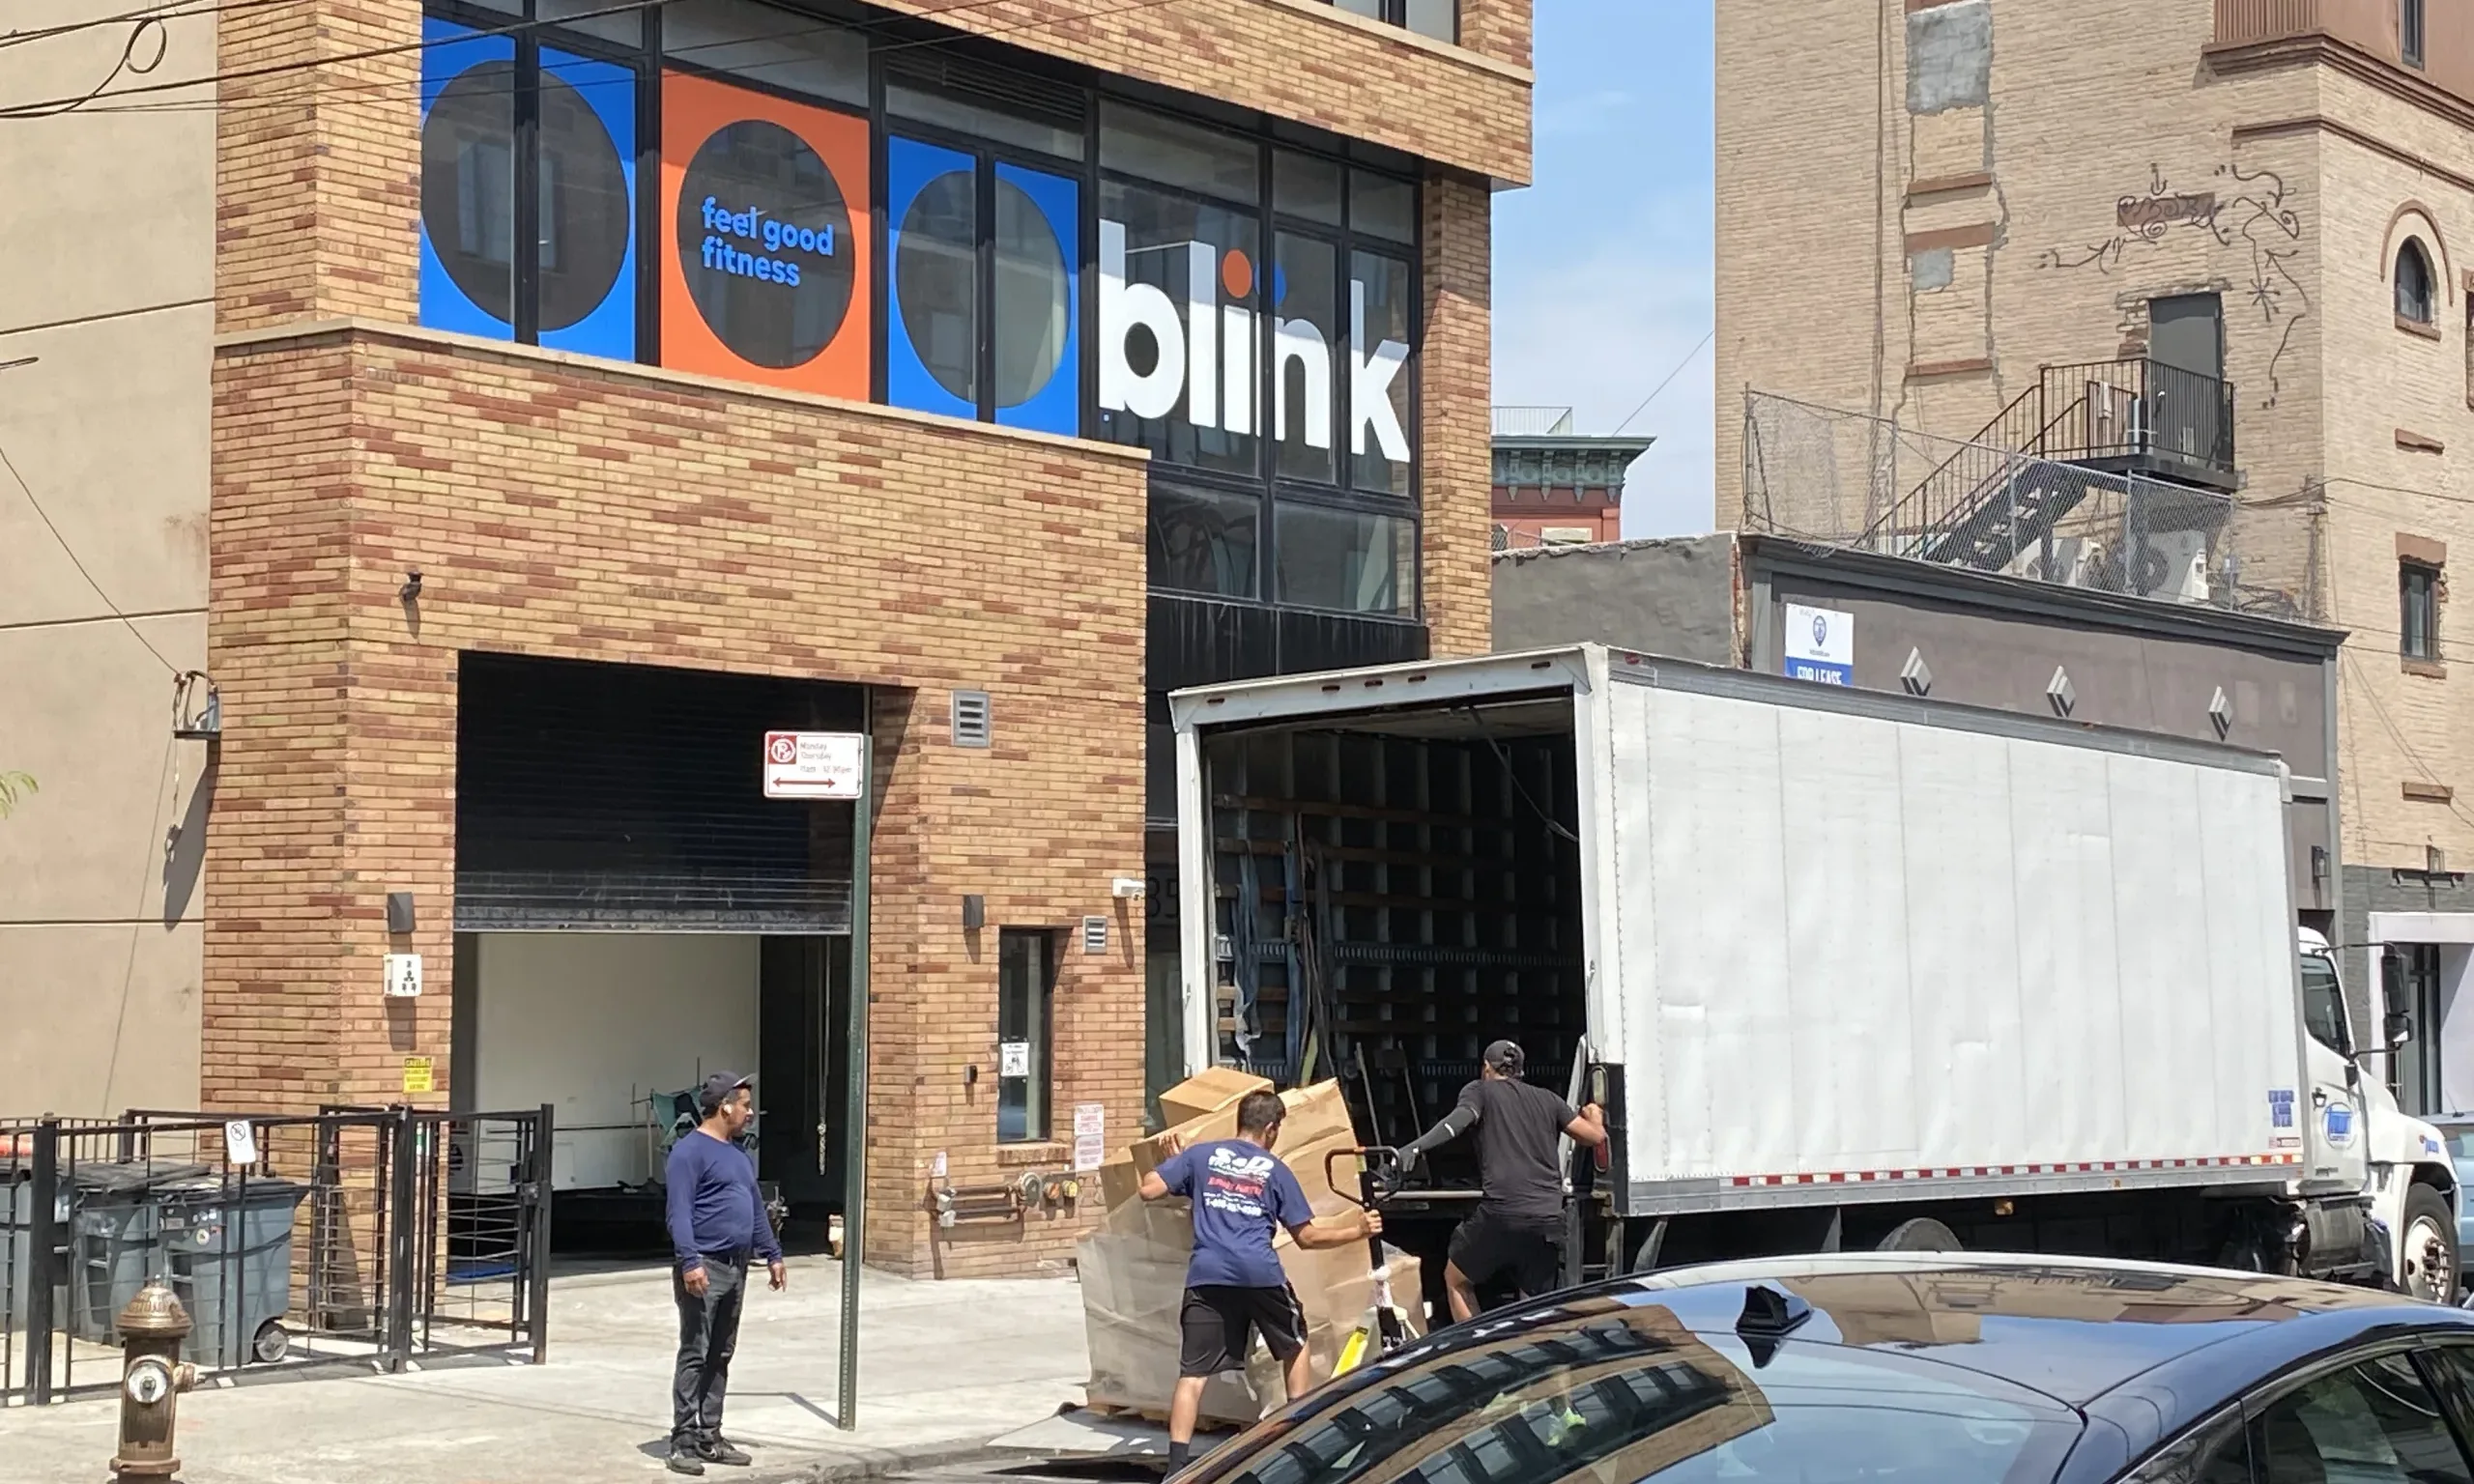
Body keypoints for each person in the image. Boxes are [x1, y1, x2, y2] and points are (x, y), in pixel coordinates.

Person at [1140, 1090, 1382, 1473]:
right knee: (1295, 1344)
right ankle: (1294, 1436)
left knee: (1192, 1376)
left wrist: (1176, 1164)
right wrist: (1357, 1230)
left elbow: (1148, 1189)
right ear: (1271, 1128)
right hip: (1259, 1274)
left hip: (1208, 1275)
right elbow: (1307, 1237)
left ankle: (1176, 1469)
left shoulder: (1201, 1156)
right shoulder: (1274, 1170)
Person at [1395, 1040, 1606, 1322]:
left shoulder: (1479, 1091)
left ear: (1485, 1067)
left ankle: (1475, 1348)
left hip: (1502, 1213)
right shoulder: (1549, 1099)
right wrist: (1596, 1115)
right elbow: (1594, 1137)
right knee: (1535, 1304)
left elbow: (1457, 1122)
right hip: (1547, 1217)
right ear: (1520, 1070)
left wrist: (1415, 1147)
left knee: (1456, 1279)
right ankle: (1535, 1354)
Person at [664, 1071, 787, 1476]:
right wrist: (690, 1261)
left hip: (737, 1266)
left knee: (721, 1353)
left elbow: (754, 1209)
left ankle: (709, 1434)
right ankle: (682, 1439)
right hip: (705, 1266)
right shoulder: (688, 1153)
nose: (750, 1113)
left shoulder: (738, 1156)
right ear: (725, 1106)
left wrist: (772, 1253)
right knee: (696, 1351)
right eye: (746, 1105)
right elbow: (678, 1213)